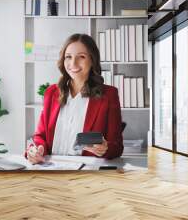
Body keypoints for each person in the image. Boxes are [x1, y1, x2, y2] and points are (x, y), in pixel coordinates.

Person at [25, 33, 123, 164]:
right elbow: (40, 136)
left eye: (81, 57)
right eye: (68, 57)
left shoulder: (109, 95)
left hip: (85, 171)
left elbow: (117, 147)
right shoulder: (51, 93)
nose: (73, 63)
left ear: (92, 60)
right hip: (51, 168)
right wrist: (35, 149)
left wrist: (105, 148)